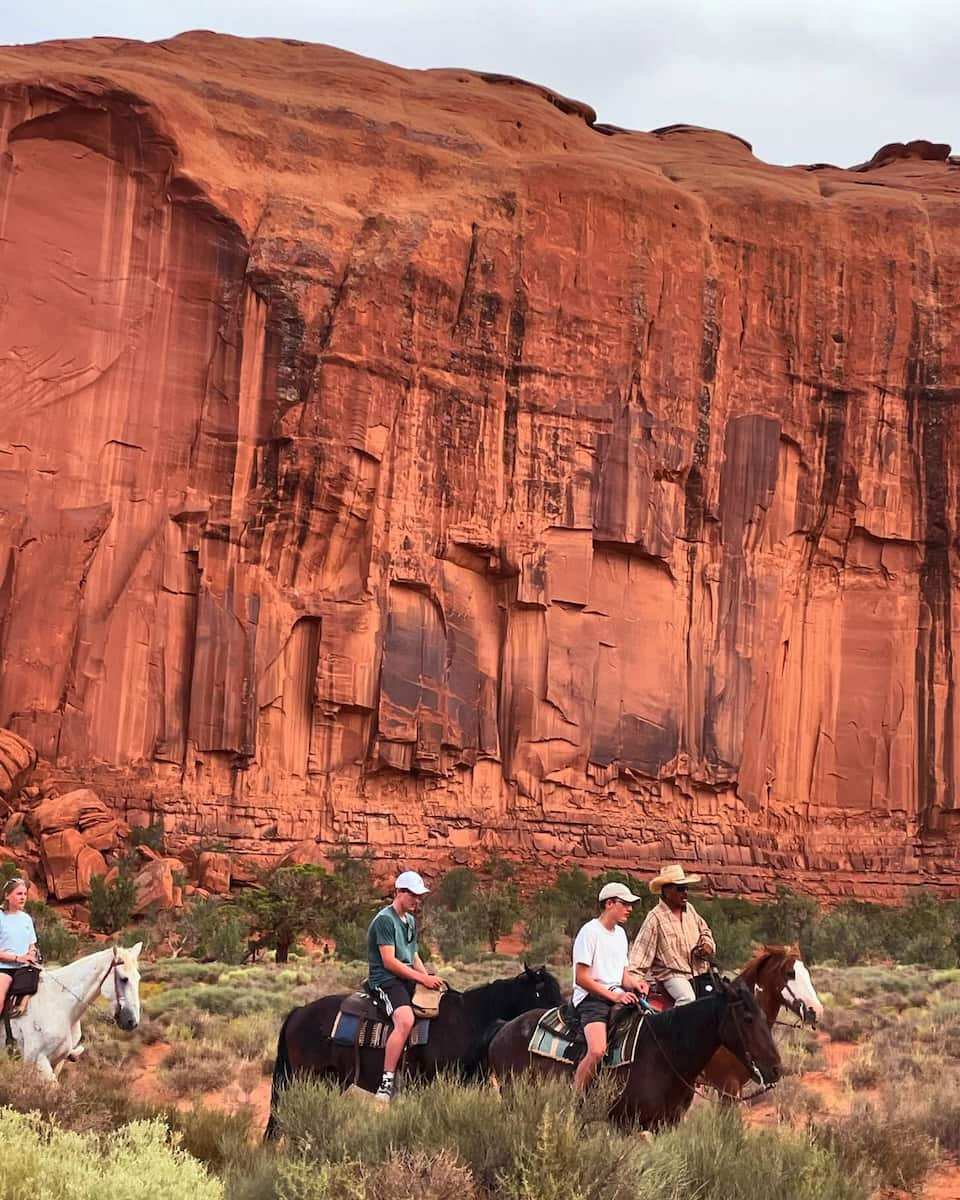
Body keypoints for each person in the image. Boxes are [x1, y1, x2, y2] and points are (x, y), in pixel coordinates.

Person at [366, 869, 443, 1102]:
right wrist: (422, 979)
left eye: (420, 896)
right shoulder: (384, 921)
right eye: (413, 895)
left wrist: (427, 978)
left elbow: (413, 954)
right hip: (385, 980)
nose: (417, 900)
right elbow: (389, 962)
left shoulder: (409, 920)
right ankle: (387, 1081)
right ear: (399, 892)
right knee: (406, 1020)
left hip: (406, 978)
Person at [571, 880, 646, 1091]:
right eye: (625, 904)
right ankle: (574, 1099)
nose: (630, 909)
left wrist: (637, 984)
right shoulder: (590, 932)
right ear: (609, 904)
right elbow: (582, 978)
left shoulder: (621, 935)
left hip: (617, 994)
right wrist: (615, 997)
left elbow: (623, 975)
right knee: (597, 1050)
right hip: (591, 999)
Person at [628, 863, 716, 1005]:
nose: (685, 893)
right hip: (673, 975)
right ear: (667, 891)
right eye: (680, 889)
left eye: (685, 888)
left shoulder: (690, 910)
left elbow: (705, 931)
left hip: (699, 973)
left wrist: (707, 945)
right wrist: (634, 982)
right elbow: (640, 955)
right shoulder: (655, 918)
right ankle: (677, 1027)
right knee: (688, 1000)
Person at [0, 877, 38, 1013]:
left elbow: (32, 945)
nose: (23, 897)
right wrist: (17, 958)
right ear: (7, 896)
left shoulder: (26, 919)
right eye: (19, 894)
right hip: (4, 968)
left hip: (25, 968)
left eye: (25, 894)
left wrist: (31, 954)